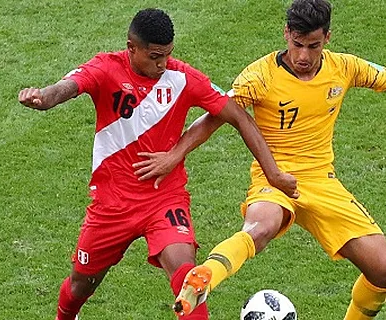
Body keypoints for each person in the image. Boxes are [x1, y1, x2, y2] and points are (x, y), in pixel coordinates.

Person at [147, 0, 386, 319]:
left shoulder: (343, 67)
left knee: (383, 270)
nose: (303, 55)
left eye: (313, 46)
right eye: (297, 44)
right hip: (274, 179)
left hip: (322, 182)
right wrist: (175, 154)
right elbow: (215, 116)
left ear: (327, 37)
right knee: (260, 227)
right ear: (286, 34)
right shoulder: (260, 76)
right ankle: (206, 275)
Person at [18, 8, 298, 320]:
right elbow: (68, 88)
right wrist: (43, 97)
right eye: (154, 57)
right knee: (81, 284)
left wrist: (272, 173)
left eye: (166, 55)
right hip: (112, 205)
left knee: (187, 274)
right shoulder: (105, 68)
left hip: (164, 199)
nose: (162, 64)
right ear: (131, 47)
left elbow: (237, 116)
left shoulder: (183, 78)